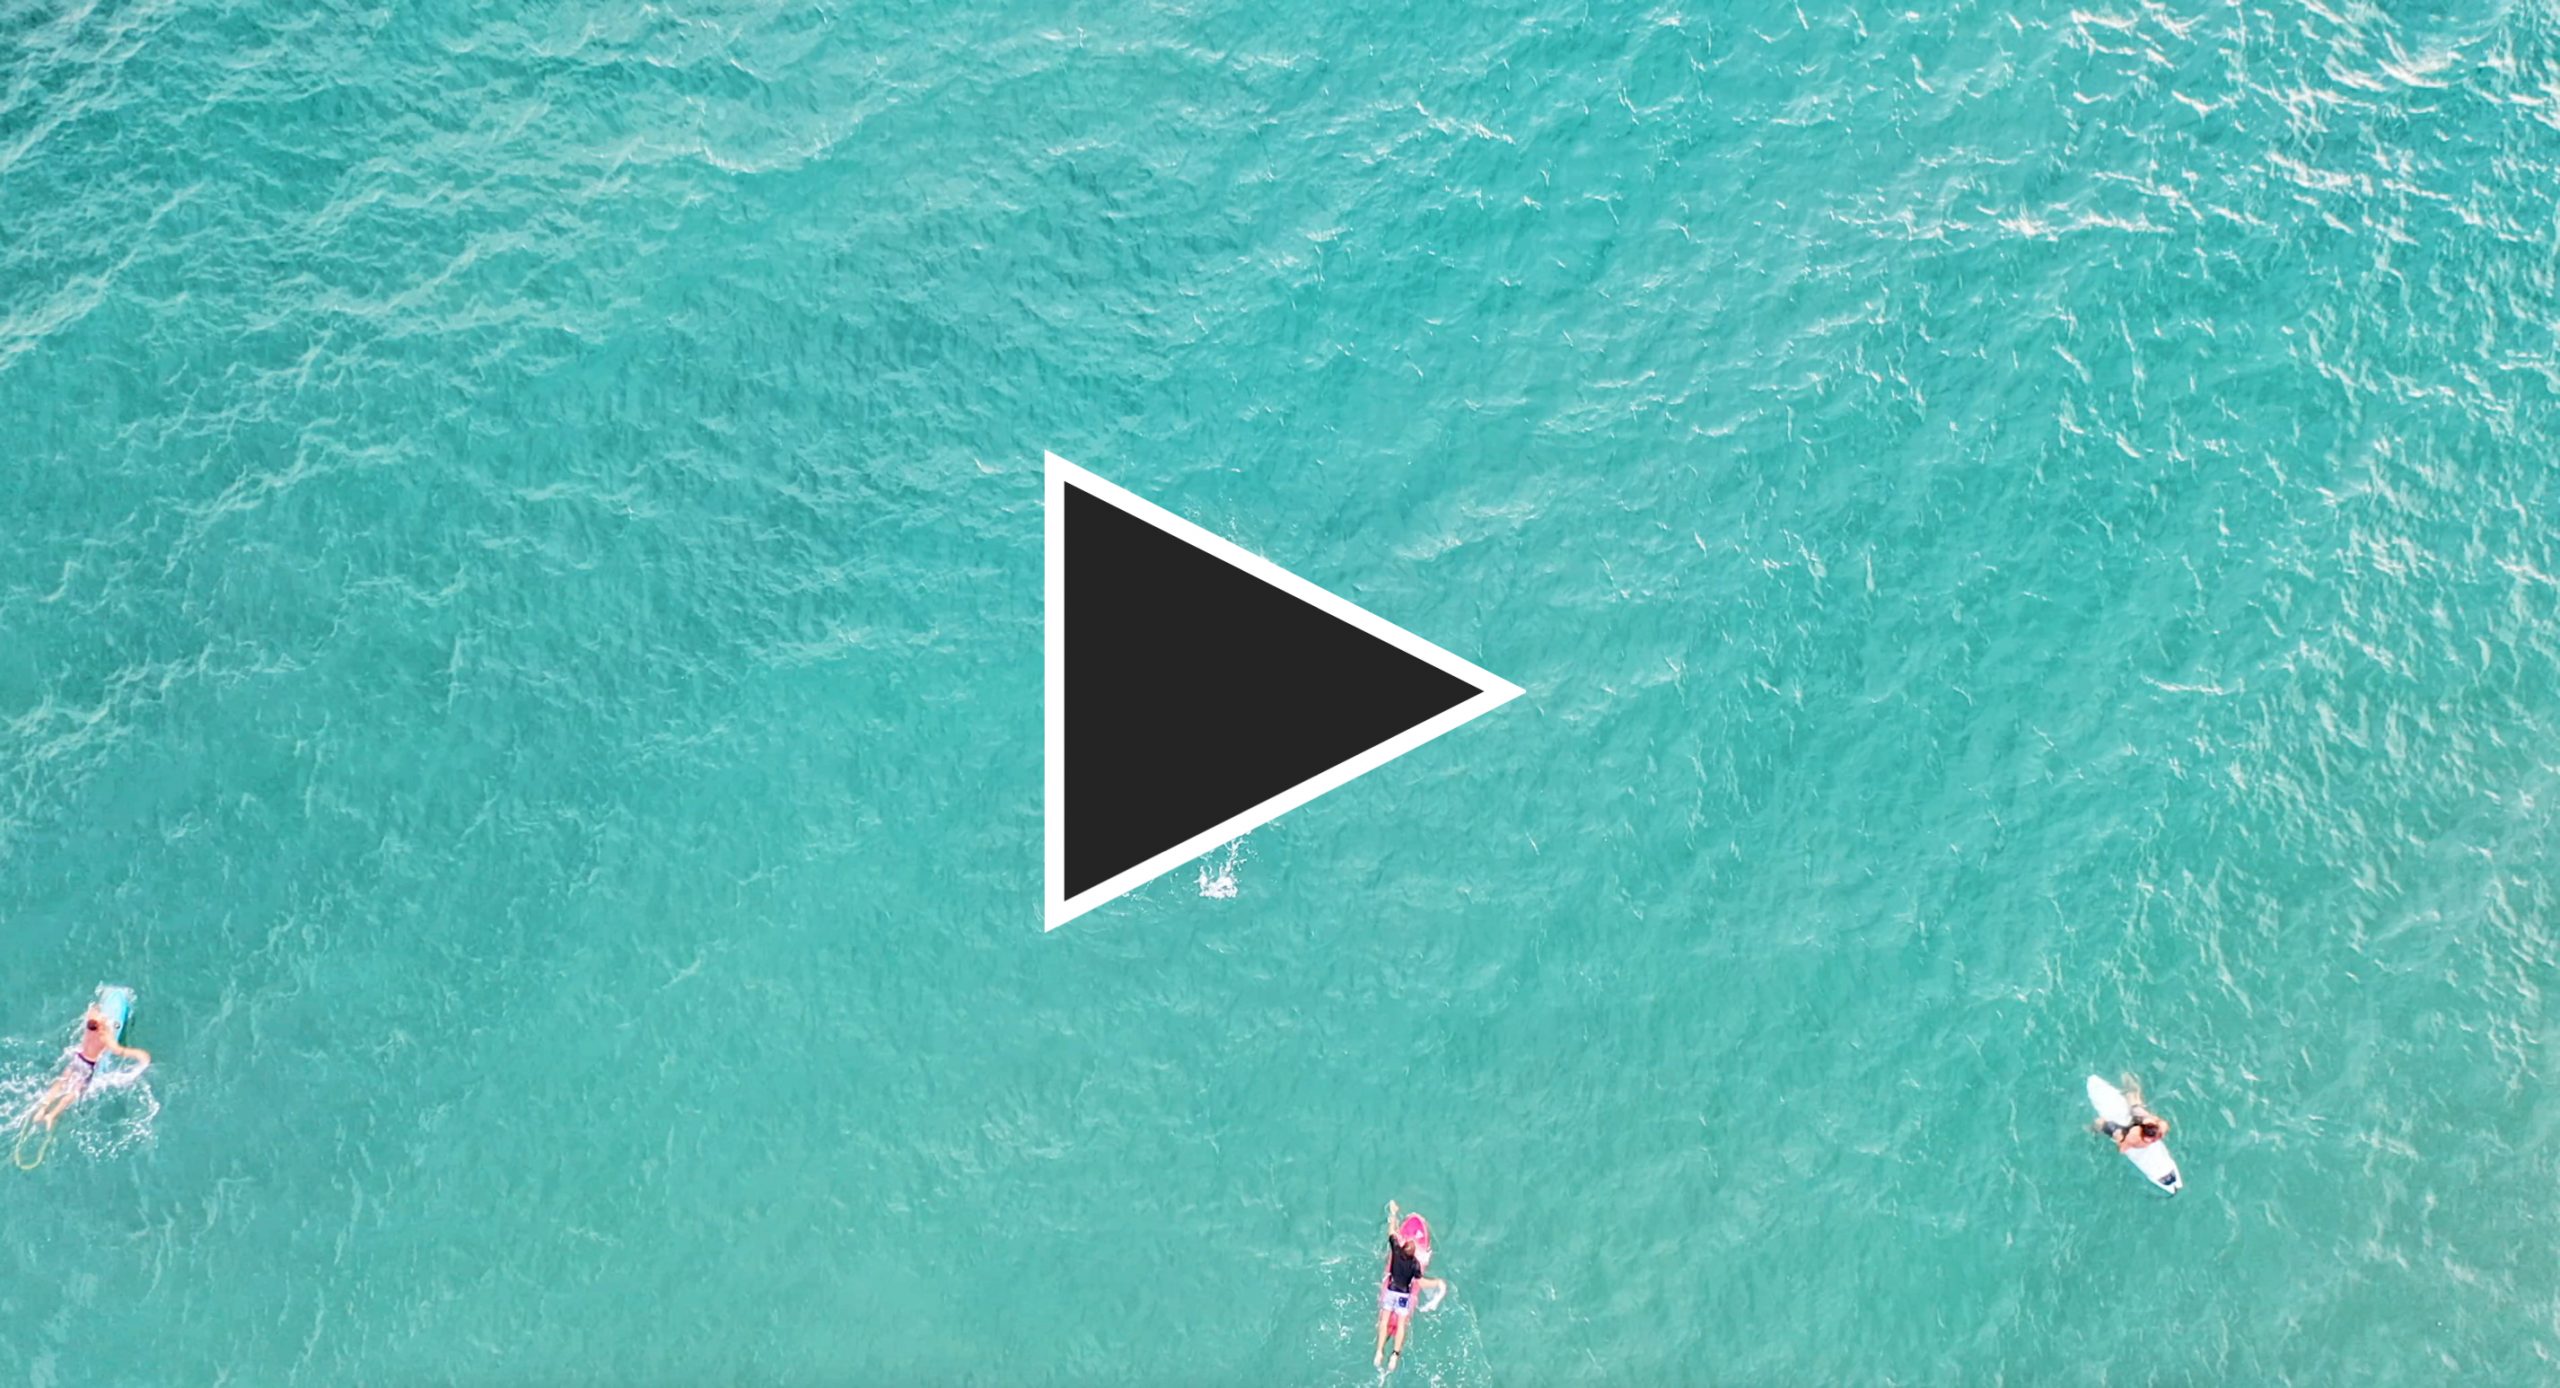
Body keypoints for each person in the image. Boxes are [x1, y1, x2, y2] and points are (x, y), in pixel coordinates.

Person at [25, 1002, 149, 1132]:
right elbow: (120, 1051)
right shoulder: (105, 1037)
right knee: (73, 1093)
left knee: (59, 1083)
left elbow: (93, 1008)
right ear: (101, 1026)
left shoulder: (90, 1022)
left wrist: (99, 1012)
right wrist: (140, 1054)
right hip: (88, 1066)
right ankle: (52, 1115)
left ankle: (42, 1108)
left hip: (78, 1059)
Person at [1373, 1201, 1449, 1374]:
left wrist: (1393, 1213)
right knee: (1400, 1324)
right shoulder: (1415, 1265)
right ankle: (1394, 1355)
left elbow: (1392, 1232)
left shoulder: (1396, 1252)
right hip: (1403, 1296)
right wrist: (1437, 1283)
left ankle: (1379, 1352)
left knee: (1385, 1321)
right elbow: (1420, 1282)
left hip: (1390, 1290)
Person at [2095, 1074, 2168, 1151]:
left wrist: (2119, 1139)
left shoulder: (2160, 1125)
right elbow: (2122, 1149)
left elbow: (2122, 1149)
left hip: (2138, 1124)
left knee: (2101, 1122)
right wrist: (2119, 1138)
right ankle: (2094, 1129)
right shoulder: (2133, 1137)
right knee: (2101, 1123)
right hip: (2128, 1131)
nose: (2151, 1141)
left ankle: (2126, 1079)